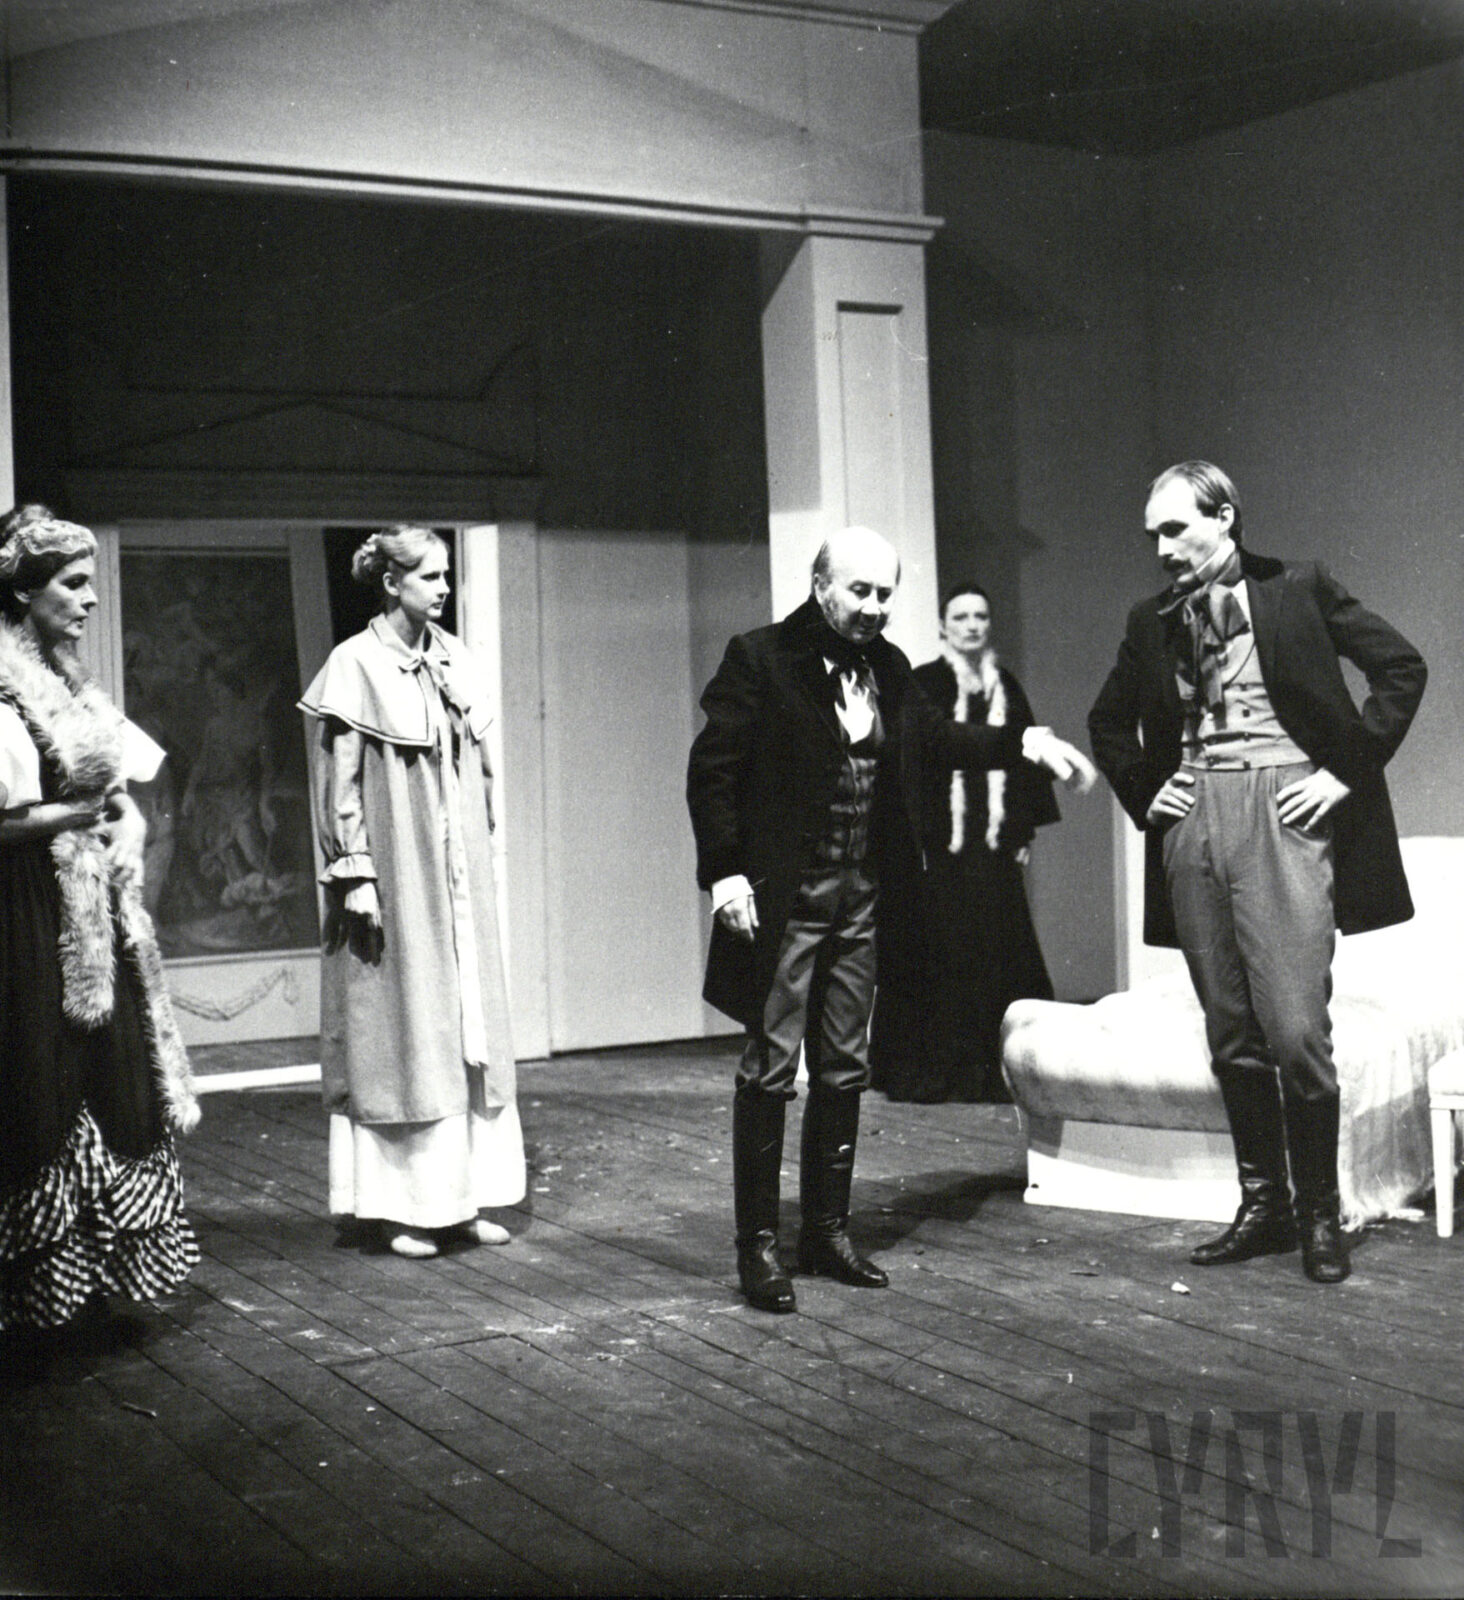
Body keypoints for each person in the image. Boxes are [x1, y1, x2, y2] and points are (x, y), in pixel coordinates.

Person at [687, 526, 1095, 1313]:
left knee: (845, 1065)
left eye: (885, 594)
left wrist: (1025, 742)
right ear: (821, 586)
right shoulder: (761, 658)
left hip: (861, 900)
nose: (874, 607)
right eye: (859, 591)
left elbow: (939, 739)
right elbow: (714, 772)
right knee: (771, 1067)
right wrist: (725, 871)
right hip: (788, 900)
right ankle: (758, 1245)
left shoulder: (891, 668)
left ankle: (826, 1232)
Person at [1088, 462, 1426, 1284]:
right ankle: (1265, 1207)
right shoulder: (1149, 619)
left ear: (1225, 517)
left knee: (1296, 1030)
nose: (1161, 549)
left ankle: (1319, 1216)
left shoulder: (1298, 588)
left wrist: (1344, 773)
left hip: (1284, 812)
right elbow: (1107, 721)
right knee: (1231, 1030)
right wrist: (1146, 790)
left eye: (1176, 529)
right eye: (1153, 535)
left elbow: (1401, 668)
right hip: (1194, 821)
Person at [0, 505, 200, 1335]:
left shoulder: (74, 681)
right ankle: (35, 1296)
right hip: (26, 906)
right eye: (73, 584)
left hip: (93, 906)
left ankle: (89, 1281)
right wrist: (76, 817)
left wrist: (132, 823)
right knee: (38, 1077)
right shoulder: (2, 685)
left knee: (108, 1075)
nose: (88, 600)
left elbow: (121, 786)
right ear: (23, 591)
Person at [300, 526, 524, 1259]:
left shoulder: (454, 657)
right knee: (403, 1025)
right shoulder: (356, 663)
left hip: (455, 869)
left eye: (447, 574)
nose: (444, 588)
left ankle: (463, 1201)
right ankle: (401, 1208)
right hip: (398, 869)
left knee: (464, 1022)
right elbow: (340, 783)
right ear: (392, 583)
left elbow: (478, 766)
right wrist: (355, 871)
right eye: (429, 576)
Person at [872, 583, 1060, 1103]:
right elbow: (911, 760)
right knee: (937, 954)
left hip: (992, 849)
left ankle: (997, 1073)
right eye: (961, 617)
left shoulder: (1006, 685)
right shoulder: (924, 682)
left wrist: (1022, 830)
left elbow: (1026, 763)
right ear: (943, 625)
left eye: (981, 616)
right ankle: (933, 1073)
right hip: (939, 849)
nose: (972, 625)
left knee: (999, 954)